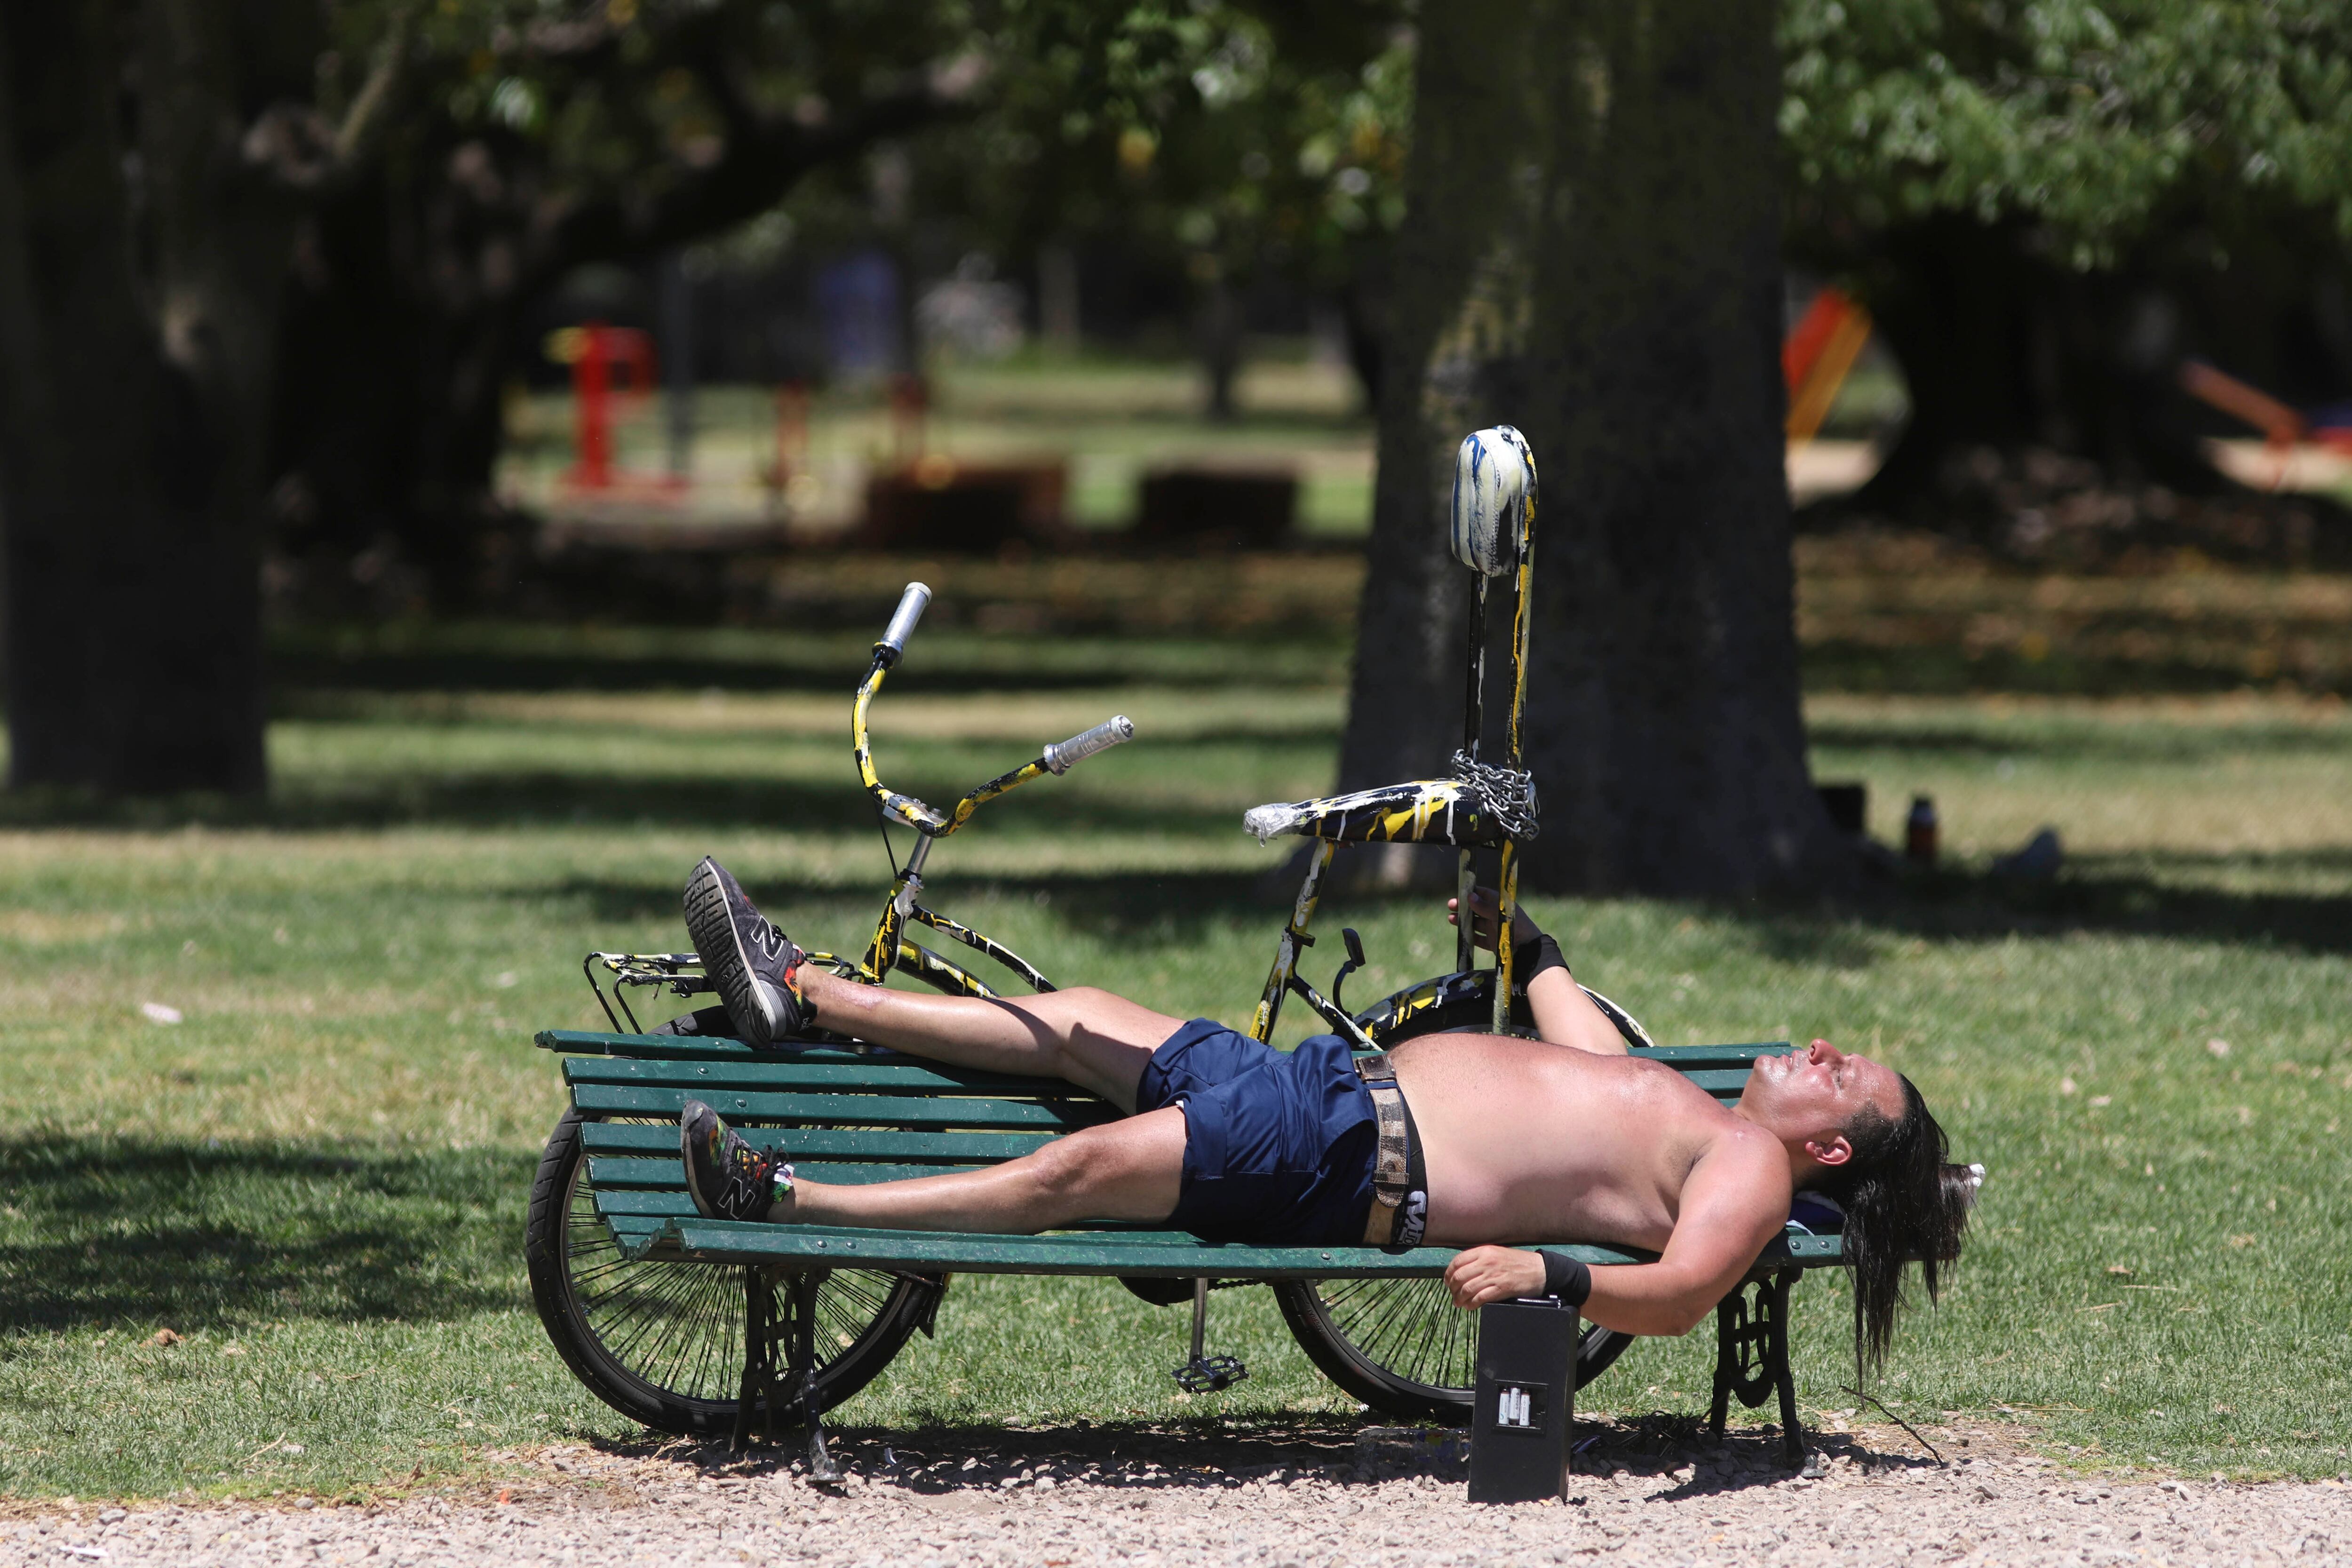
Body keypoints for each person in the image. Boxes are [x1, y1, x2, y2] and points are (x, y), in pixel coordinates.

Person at [674, 857, 1974, 1374]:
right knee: (1074, 1018)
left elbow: (1685, 1295)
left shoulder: (1748, 1165)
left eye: (1841, 1071)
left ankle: (789, 1201)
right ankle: (806, 992)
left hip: (1350, 1154)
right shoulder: (1687, 1107)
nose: (1817, 1049)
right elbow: (1576, 1037)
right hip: (1315, 1090)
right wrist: (1525, 937)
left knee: (1077, 1170)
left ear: (1830, 1147)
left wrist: (1550, 1277)